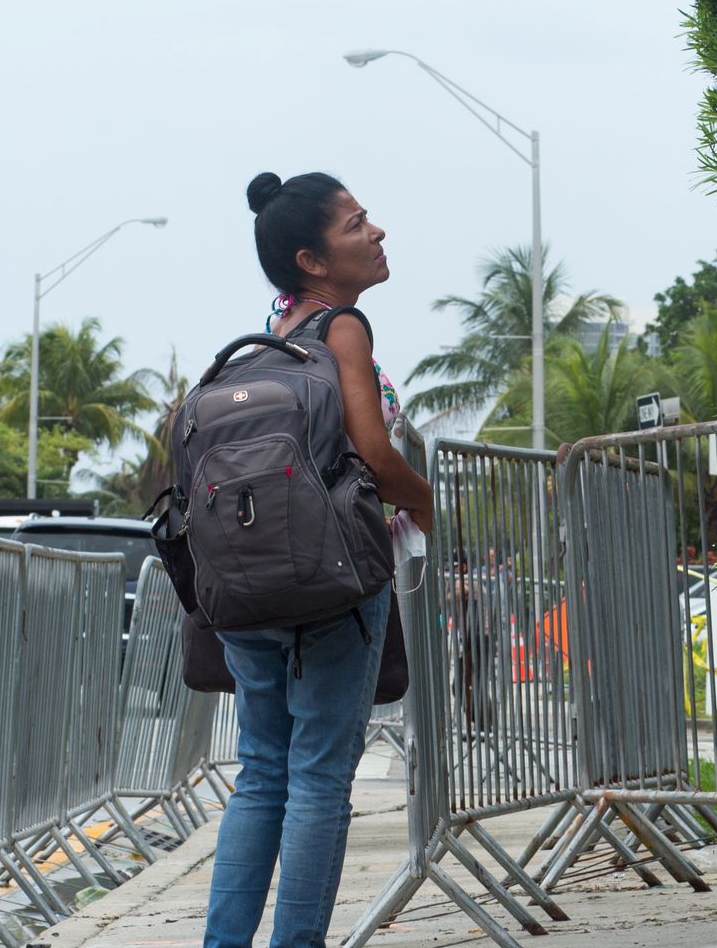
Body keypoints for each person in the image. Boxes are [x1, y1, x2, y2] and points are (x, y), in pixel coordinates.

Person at [204, 171, 434, 948]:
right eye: (358, 224)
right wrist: (426, 499)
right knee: (318, 780)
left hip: (247, 587)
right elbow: (372, 450)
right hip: (332, 583)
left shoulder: (255, 346)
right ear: (312, 259)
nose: (377, 233)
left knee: (261, 772)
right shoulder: (343, 329)